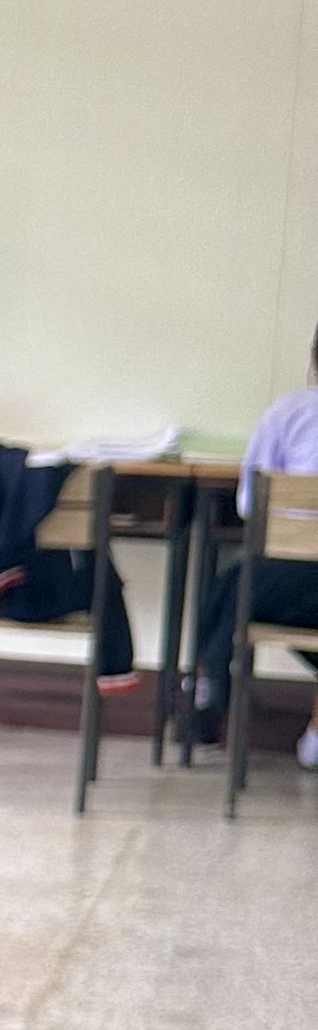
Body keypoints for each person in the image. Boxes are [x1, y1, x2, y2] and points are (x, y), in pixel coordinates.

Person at [194, 322, 318, 760]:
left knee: (233, 586)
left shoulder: (289, 413)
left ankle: (208, 687)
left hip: (291, 575)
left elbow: (250, 504)